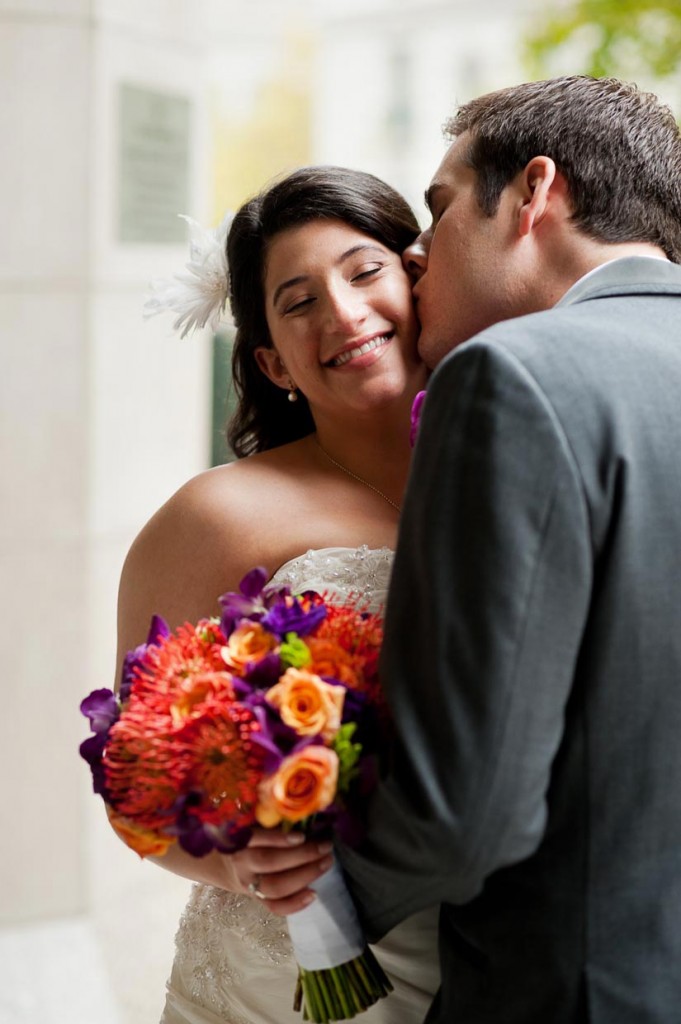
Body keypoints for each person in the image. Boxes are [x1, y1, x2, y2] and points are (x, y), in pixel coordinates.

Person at [337, 75, 681, 1024]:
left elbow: (464, 815)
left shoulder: (513, 378)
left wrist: (320, 895)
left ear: (534, 193)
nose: (414, 252)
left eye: (439, 208)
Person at [115, 165, 439, 1023]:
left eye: (364, 271)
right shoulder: (216, 515)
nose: (341, 311)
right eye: (297, 302)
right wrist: (242, 863)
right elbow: (135, 776)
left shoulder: (506, 469)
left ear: (417, 279)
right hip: (281, 977)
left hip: (487, 951)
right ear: (273, 361)